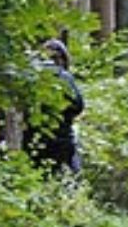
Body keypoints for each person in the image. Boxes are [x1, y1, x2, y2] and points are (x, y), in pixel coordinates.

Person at [27, 39, 85, 173]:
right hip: (62, 137)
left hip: (33, 137)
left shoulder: (31, 76)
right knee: (71, 169)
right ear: (63, 59)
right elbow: (79, 106)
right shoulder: (65, 77)